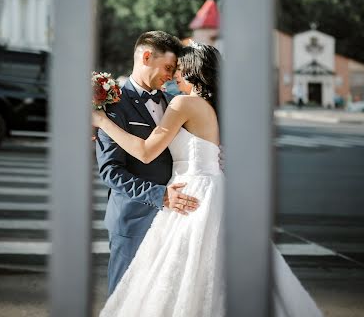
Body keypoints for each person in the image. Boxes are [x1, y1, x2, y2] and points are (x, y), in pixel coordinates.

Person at [94, 42, 323, 317]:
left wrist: (102, 122)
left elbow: (145, 152)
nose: (173, 76)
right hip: (205, 191)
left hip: (189, 194)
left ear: (192, 71)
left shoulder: (181, 103)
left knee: (180, 275)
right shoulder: (211, 107)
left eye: (177, 70)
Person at [95, 31, 201, 296]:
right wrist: (160, 196)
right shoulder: (112, 106)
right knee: (124, 300)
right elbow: (111, 171)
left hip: (172, 222)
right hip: (132, 221)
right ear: (145, 57)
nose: (170, 75)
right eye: (167, 67)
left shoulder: (173, 103)